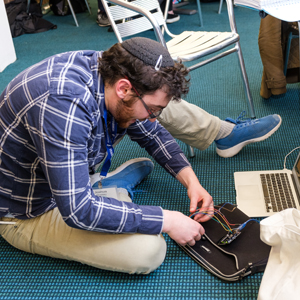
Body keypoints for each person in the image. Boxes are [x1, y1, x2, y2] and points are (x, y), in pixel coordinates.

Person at [0, 37, 281, 274]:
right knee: (149, 252)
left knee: (149, 109)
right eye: (154, 111)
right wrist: (166, 220)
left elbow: (152, 132)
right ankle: (108, 188)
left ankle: (105, 186)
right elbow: (78, 211)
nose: (154, 119)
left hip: (67, 173)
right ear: (124, 88)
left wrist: (192, 182)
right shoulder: (63, 105)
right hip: (29, 211)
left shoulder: (113, 71)